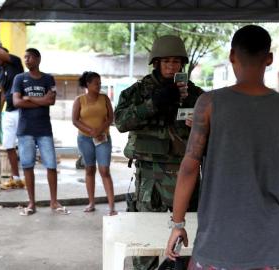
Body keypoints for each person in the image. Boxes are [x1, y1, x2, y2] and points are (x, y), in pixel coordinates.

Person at [166, 25, 279, 270]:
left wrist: (178, 224)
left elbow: (189, 168)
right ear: (269, 59)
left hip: (215, 246)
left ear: (232, 56)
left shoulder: (209, 104)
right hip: (268, 247)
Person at [114, 35, 203, 269]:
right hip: (149, 177)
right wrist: (154, 103)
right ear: (156, 62)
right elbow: (121, 122)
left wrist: (201, 125)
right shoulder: (137, 92)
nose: (172, 66)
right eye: (166, 61)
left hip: (185, 173)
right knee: (145, 240)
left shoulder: (196, 95)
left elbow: (215, 133)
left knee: (187, 240)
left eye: (176, 61)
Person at [12, 48, 69, 216]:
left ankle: (54, 202)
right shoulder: (19, 78)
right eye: (24, 57)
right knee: (27, 166)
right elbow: (16, 102)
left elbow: (51, 100)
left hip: (44, 130)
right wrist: (40, 101)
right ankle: (31, 203)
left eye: (29, 57)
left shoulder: (48, 78)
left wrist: (29, 98)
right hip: (25, 130)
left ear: (38, 59)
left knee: (51, 165)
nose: (26, 60)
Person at [72, 71, 117, 216]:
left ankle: (111, 207)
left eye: (100, 83)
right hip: (84, 139)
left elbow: (111, 118)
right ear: (88, 84)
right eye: (96, 83)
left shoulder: (104, 98)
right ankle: (91, 203)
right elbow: (75, 120)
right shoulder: (79, 100)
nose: (99, 85)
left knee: (104, 170)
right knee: (89, 169)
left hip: (103, 138)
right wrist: (89, 131)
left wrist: (99, 130)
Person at [0, 44, 25, 189]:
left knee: (24, 145)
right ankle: (16, 178)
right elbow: (3, 93)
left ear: (4, 56)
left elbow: (0, 52)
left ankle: (26, 177)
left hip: (22, 110)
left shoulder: (15, 63)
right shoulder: (0, 71)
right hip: (10, 111)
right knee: (8, 144)